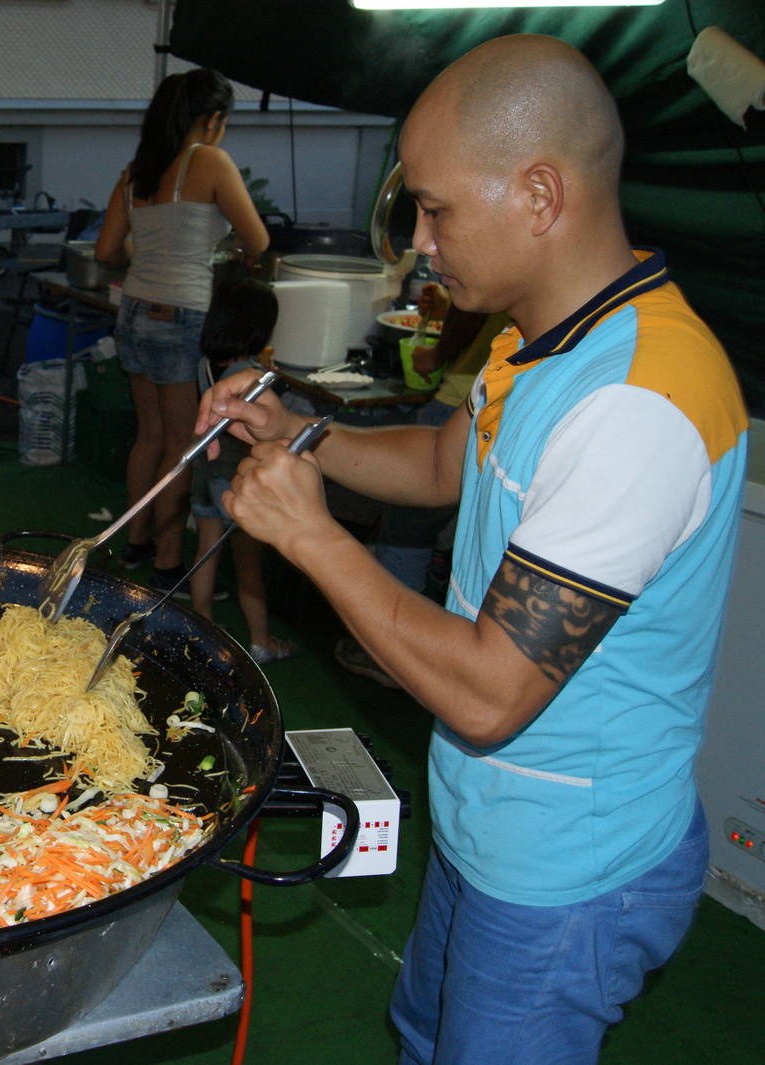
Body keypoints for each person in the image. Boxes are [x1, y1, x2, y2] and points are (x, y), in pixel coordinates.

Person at [198, 35, 745, 1064]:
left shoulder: (636, 404)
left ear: (540, 195)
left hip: (567, 868)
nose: (419, 241)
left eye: (436, 210)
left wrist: (312, 536)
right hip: (488, 823)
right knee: (424, 1033)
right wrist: (299, 432)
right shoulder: (537, 339)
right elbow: (447, 462)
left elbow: (491, 693)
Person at [94, 67, 268, 596]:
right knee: (181, 443)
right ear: (211, 119)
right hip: (180, 316)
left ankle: (136, 541)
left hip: (133, 311)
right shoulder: (209, 161)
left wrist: (150, 254)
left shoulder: (136, 173)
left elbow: (106, 251)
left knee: (148, 435)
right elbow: (258, 240)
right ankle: (168, 565)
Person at [334, 288, 511, 688]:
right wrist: (295, 431)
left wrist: (311, 534)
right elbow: (435, 465)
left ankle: (390, 651)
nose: (428, 253)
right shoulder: (512, 344)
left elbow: (491, 706)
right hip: (464, 394)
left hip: (455, 394)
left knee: (407, 527)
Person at [186, 271, 292, 664]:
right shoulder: (250, 375)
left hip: (204, 471)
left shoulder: (206, 364)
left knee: (206, 552)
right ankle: (261, 641)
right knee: (249, 567)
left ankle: (200, 629)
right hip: (233, 478)